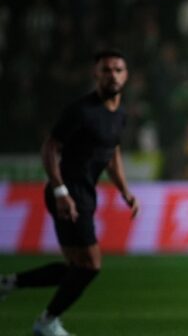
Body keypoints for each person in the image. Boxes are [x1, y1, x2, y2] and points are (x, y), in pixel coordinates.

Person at [0, 50, 140, 336]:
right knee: (90, 267)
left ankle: (8, 284)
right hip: (69, 191)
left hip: (84, 193)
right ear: (95, 74)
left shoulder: (120, 113)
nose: (112, 75)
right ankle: (47, 322)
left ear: (126, 75)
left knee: (76, 267)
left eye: (117, 69)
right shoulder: (82, 110)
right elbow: (50, 148)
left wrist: (125, 190)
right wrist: (61, 191)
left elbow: (112, 152)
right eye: (106, 70)